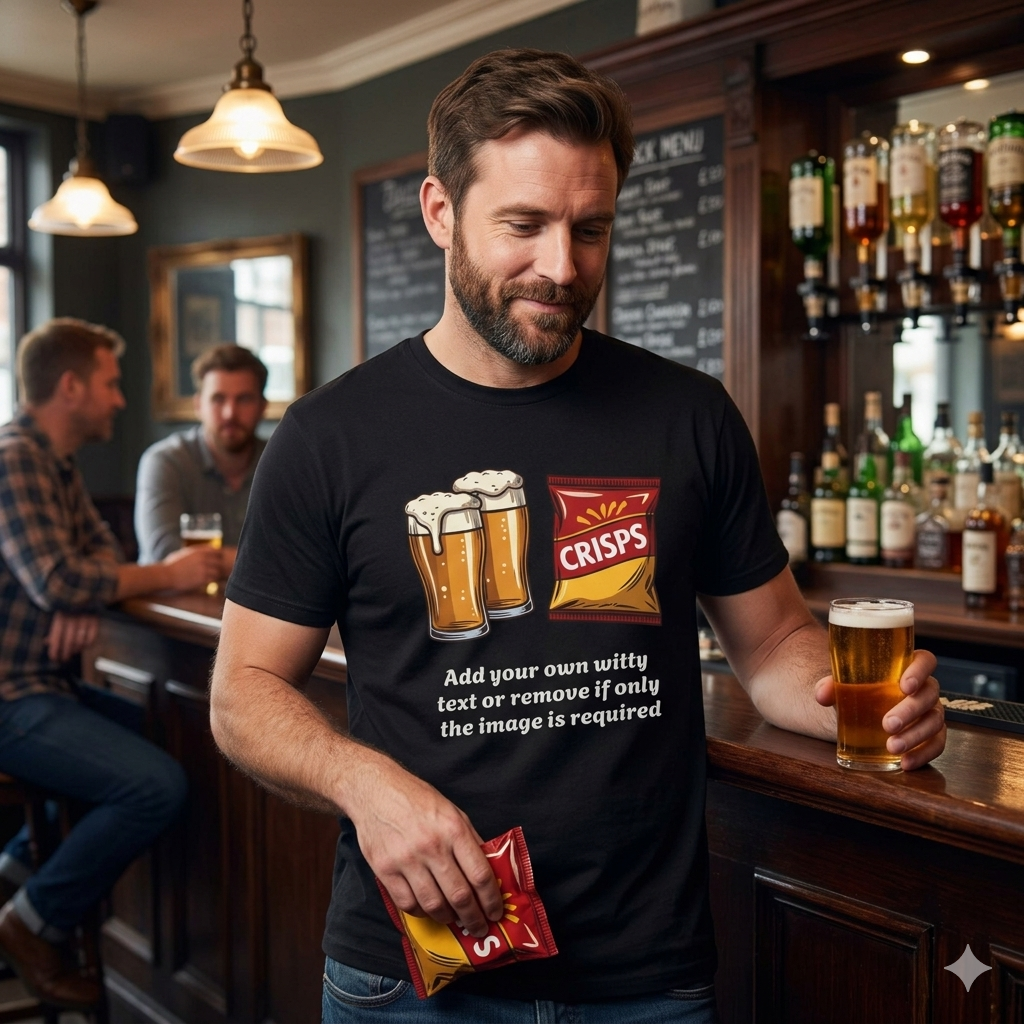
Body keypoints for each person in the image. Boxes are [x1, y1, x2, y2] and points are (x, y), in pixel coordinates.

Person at [210, 50, 946, 1024]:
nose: (562, 267)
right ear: (440, 211)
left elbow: (768, 644)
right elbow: (242, 691)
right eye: (523, 225)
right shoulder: (329, 435)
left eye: (589, 229)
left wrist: (861, 699)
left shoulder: (687, 415)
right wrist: (364, 782)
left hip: (644, 975)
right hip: (413, 976)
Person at [0, 318, 222, 1009]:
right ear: (70, 387)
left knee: (160, 732)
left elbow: (95, 562)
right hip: (10, 698)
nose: (120, 400)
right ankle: (30, 919)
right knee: (156, 786)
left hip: (43, 685)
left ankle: (17, 864)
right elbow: (69, 578)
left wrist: (76, 589)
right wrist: (166, 573)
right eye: (109, 383)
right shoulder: (14, 458)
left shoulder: (57, 464)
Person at [134, 344, 268, 572]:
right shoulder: (166, 461)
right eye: (218, 399)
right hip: (170, 607)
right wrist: (261, 564)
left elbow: (303, 559)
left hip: (253, 607)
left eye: (244, 399)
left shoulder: (281, 463)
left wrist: (218, 560)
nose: (230, 413)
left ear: (263, 407)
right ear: (198, 405)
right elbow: (165, 554)